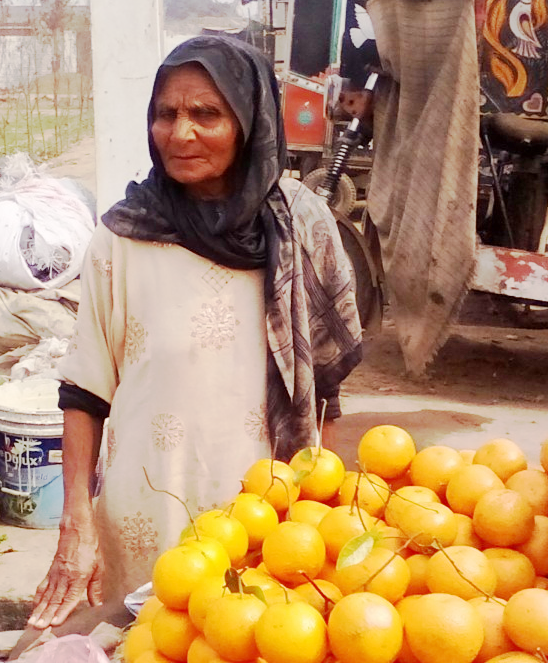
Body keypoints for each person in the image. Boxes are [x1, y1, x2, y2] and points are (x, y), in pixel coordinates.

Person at [27, 35, 362, 630]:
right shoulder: (123, 237)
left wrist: (319, 511)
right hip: (145, 511)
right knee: (149, 640)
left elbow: (323, 386)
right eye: (166, 113)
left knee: (258, 638)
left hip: (267, 518)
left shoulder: (304, 225)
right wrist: (74, 522)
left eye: (206, 113)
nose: (180, 133)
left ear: (250, 118)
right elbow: (84, 389)